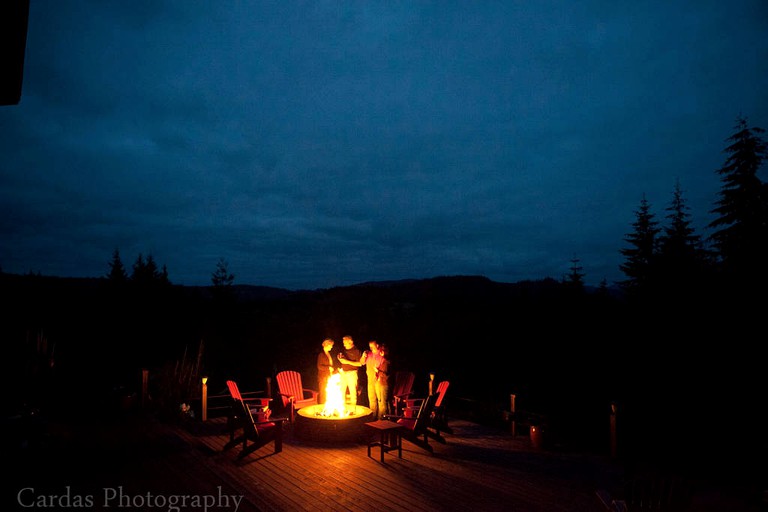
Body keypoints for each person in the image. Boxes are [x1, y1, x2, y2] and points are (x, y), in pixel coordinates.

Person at [337, 335, 363, 407]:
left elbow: (360, 364)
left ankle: (353, 410)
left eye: (345, 342)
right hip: (343, 373)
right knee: (341, 391)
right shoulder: (343, 350)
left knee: (352, 392)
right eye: (343, 342)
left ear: (351, 342)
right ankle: (341, 409)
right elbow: (341, 360)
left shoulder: (357, 351)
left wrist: (347, 361)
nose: (344, 344)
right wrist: (339, 358)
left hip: (352, 373)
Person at [362, 340, 384, 419]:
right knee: (372, 400)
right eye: (369, 345)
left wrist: (378, 372)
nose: (370, 347)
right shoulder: (369, 354)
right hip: (370, 380)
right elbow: (362, 363)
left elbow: (384, 367)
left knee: (380, 401)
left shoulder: (381, 354)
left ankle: (380, 420)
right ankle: (373, 418)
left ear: (377, 345)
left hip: (378, 381)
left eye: (372, 345)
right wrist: (363, 356)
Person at [373, 343, 391, 420]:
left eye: (381, 351)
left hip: (383, 384)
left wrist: (377, 371)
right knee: (380, 402)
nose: (380, 353)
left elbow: (386, 375)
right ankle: (380, 419)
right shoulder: (383, 361)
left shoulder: (387, 362)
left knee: (383, 403)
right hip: (380, 383)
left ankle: (382, 420)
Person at [316, 338, 335, 404]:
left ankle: (328, 407)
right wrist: (328, 368)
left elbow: (330, 365)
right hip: (323, 377)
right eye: (331, 345)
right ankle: (322, 406)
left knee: (328, 392)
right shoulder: (321, 354)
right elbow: (319, 366)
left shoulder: (328, 353)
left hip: (328, 376)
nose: (332, 347)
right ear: (327, 345)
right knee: (323, 393)